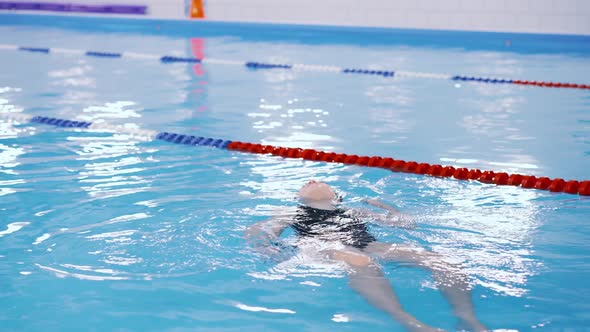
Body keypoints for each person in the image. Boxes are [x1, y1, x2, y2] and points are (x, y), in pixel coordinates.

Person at [245, 180, 487, 332]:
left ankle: (467, 317)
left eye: (319, 181)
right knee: (360, 261)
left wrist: (387, 208)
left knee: (437, 258)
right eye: (307, 183)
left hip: (367, 244)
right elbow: (260, 230)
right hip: (321, 246)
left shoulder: (352, 210)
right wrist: (265, 247)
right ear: (298, 197)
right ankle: (409, 323)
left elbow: (406, 225)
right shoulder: (291, 211)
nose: (312, 180)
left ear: (335, 196)